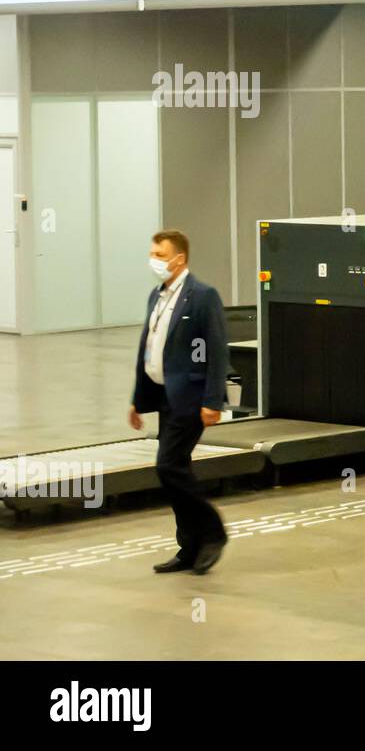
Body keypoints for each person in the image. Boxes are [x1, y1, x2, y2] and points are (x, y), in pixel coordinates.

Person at [127, 230, 229, 575]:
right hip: (165, 397)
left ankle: (213, 531)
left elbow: (216, 351)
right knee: (176, 470)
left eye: (160, 253)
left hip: (192, 398)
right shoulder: (157, 296)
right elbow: (150, 347)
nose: (154, 259)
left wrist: (213, 400)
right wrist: (137, 401)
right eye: (152, 252)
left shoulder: (202, 296)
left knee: (168, 467)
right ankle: (190, 547)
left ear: (179, 259)